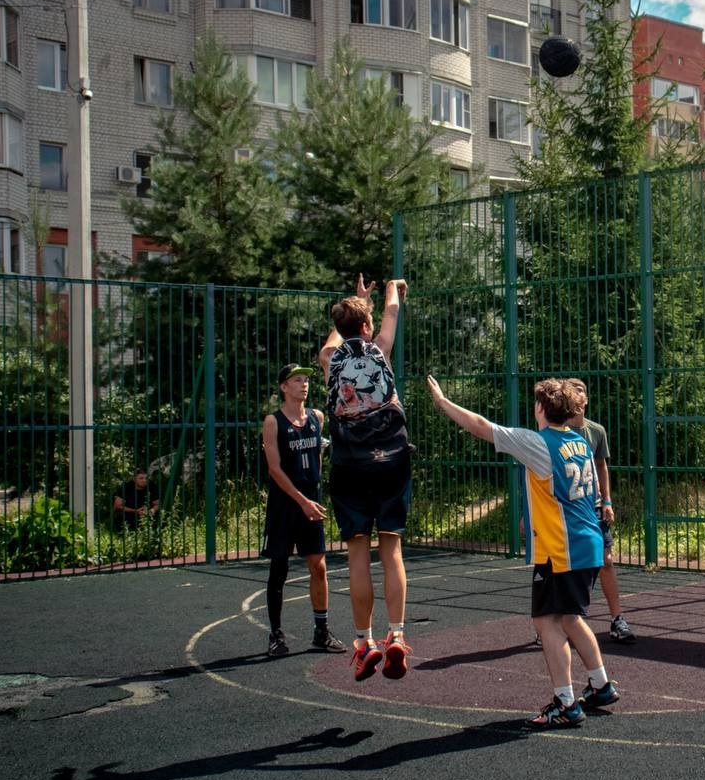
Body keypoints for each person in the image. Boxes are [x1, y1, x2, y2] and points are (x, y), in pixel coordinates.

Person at [427, 375, 620, 728]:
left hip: (561, 549)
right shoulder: (579, 442)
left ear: (542, 408)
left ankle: (565, 702)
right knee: (570, 618)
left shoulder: (539, 443)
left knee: (547, 622)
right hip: (586, 543)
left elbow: (484, 428)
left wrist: (443, 403)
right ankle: (601, 684)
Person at [319, 275, 414, 682]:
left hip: (350, 461)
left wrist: (354, 306)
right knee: (391, 549)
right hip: (392, 456)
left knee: (358, 552)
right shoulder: (381, 349)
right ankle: (397, 633)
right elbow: (391, 311)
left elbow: (330, 344)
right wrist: (392, 289)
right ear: (366, 327)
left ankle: (364, 642)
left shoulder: (329, 360)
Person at [261, 363, 345, 658]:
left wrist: (315, 496)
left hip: (311, 502)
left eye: (306, 380)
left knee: (318, 567)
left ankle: (321, 632)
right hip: (286, 505)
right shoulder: (273, 422)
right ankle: (276, 635)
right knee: (279, 568)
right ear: (284, 387)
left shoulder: (316, 418)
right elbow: (274, 469)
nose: (304, 384)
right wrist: (301, 500)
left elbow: (318, 460)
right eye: (297, 380)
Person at [567, 378, 636, 644]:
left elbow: (601, 466)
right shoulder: (556, 432)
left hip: (594, 507)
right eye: (573, 392)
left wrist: (607, 500)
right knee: (567, 565)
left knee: (606, 560)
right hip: (569, 508)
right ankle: (559, 621)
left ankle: (617, 619)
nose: (578, 396)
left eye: (582, 391)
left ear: (586, 399)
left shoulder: (596, 431)